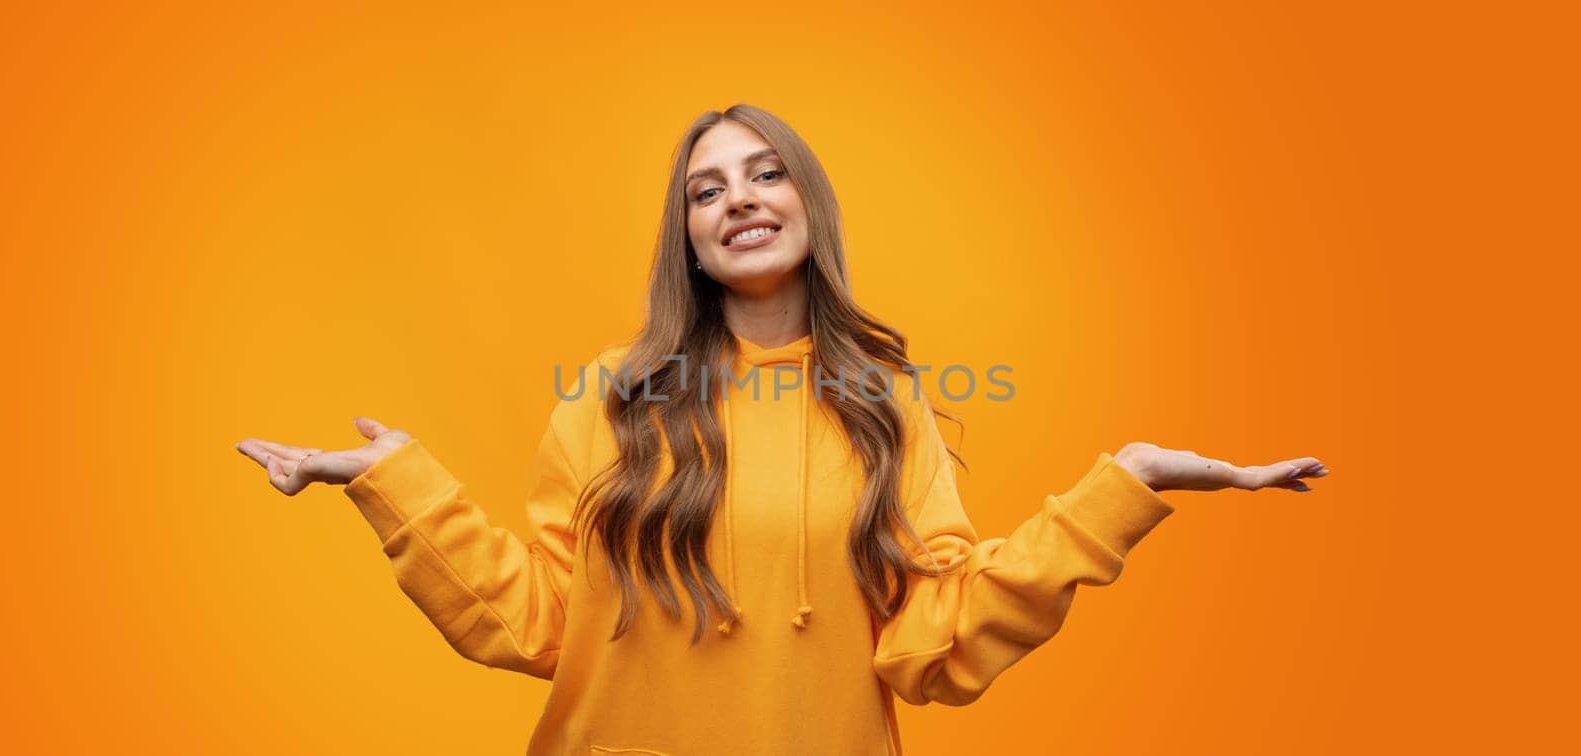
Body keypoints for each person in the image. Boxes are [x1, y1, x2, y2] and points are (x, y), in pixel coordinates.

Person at [235, 104, 1328, 756]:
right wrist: (395, 485)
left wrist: (1118, 491)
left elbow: (930, 644)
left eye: (766, 173)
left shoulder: (884, 403)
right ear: (691, 240)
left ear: (807, 203)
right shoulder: (615, 395)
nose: (740, 199)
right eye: (707, 191)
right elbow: (542, 625)